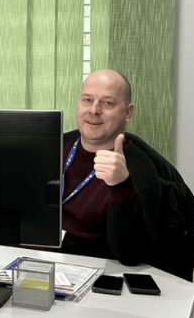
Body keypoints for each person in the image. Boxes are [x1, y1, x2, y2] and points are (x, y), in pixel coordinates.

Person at [59, 69, 162, 266]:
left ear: (127, 113)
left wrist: (121, 186)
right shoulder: (53, 148)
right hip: (30, 261)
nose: (94, 110)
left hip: (89, 272)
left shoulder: (138, 168)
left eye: (107, 103)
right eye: (87, 100)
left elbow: (131, 255)